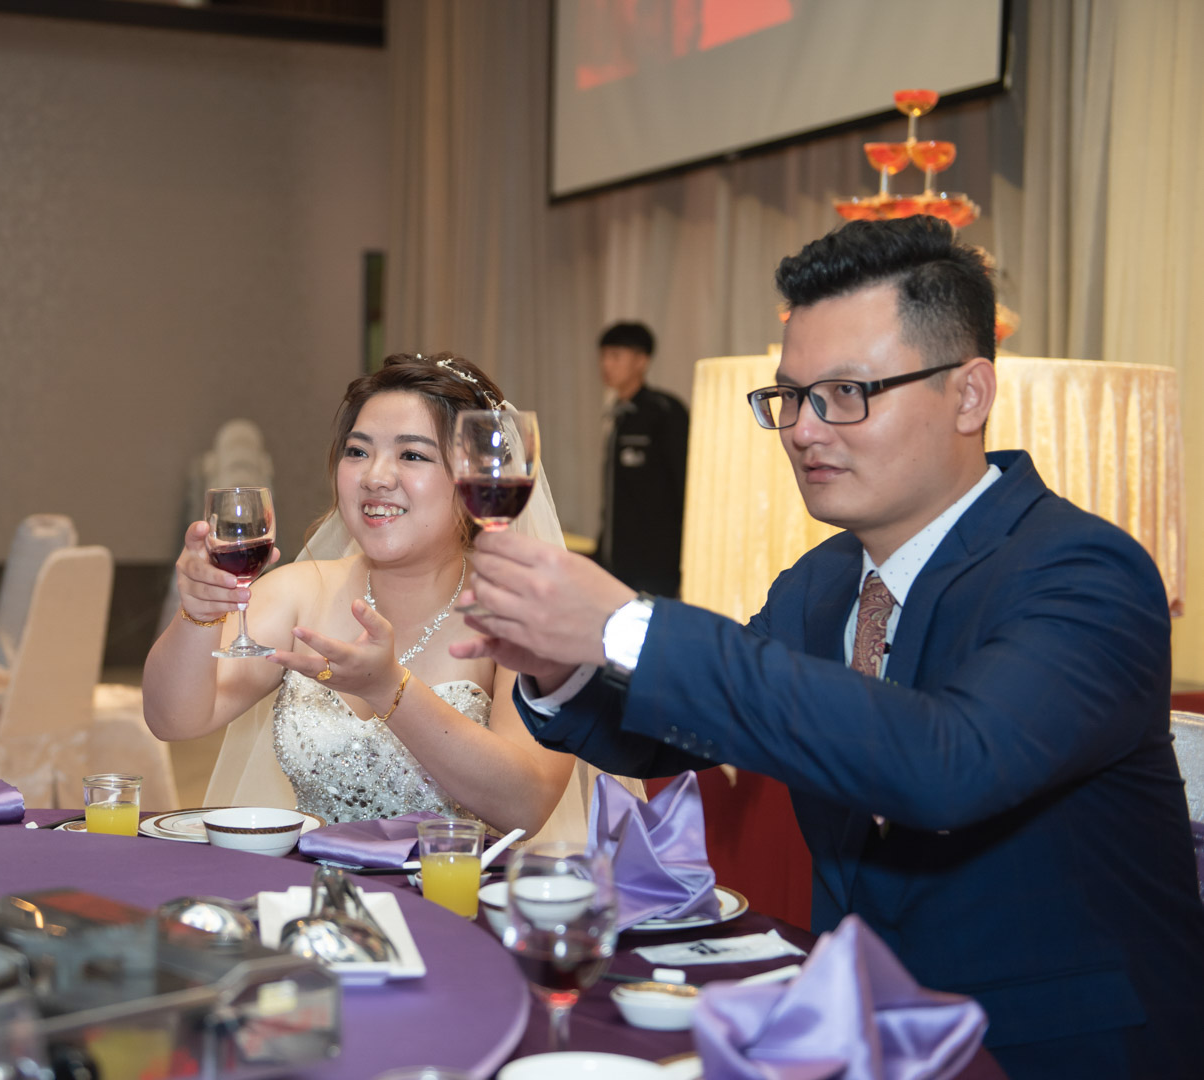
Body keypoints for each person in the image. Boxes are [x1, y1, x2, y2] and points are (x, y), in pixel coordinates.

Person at [453, 219, 1204, 1078]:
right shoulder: (822, 581)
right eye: (791, 397)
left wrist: (628, 624)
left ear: (970, 395)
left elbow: (948, 765)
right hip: (854, 1034)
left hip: (1054, 1050)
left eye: (846, 393)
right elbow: (670, 733)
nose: (804, 431)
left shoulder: (1085, 572)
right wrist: (557, 665)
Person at [143, 354, 627, 841]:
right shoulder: (299, 591)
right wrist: (197, 615)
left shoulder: (520, 612)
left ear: (478, 478)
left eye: (412, 455)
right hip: (312, 884)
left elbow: (528, 803)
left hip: (451, 884)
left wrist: (391, 690)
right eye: (358, 451)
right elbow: (173, 719)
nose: (375, 476)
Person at [595, 322, 689, 598]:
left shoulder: (665, 412)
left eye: (615, 356)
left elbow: (684, 485)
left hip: (655, 565)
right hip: (616, 560)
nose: (606, 364)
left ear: (641, 361)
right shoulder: (619, 415)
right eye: (603, 356)